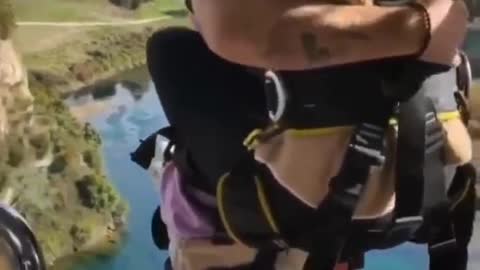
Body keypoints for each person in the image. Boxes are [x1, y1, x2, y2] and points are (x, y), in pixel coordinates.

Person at [134, 0, 477, 269]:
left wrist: (419, 28)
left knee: (170, 49)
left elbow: (233, 30)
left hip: (296, 209)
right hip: (424, 191)